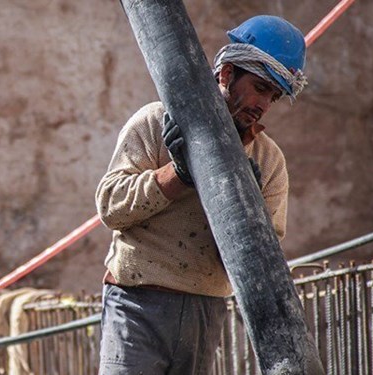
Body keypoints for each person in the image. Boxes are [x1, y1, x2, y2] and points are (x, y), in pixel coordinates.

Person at [95, 15, 307, 374]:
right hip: (137, 302)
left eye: (272, 95)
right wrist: (178, 174)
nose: (263, 104)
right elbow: (110, 207)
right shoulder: (155, 123)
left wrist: (245, 207)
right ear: (226, 74)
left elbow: (262, 266)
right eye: (258, 87)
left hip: (205, 311)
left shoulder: (268, 161)